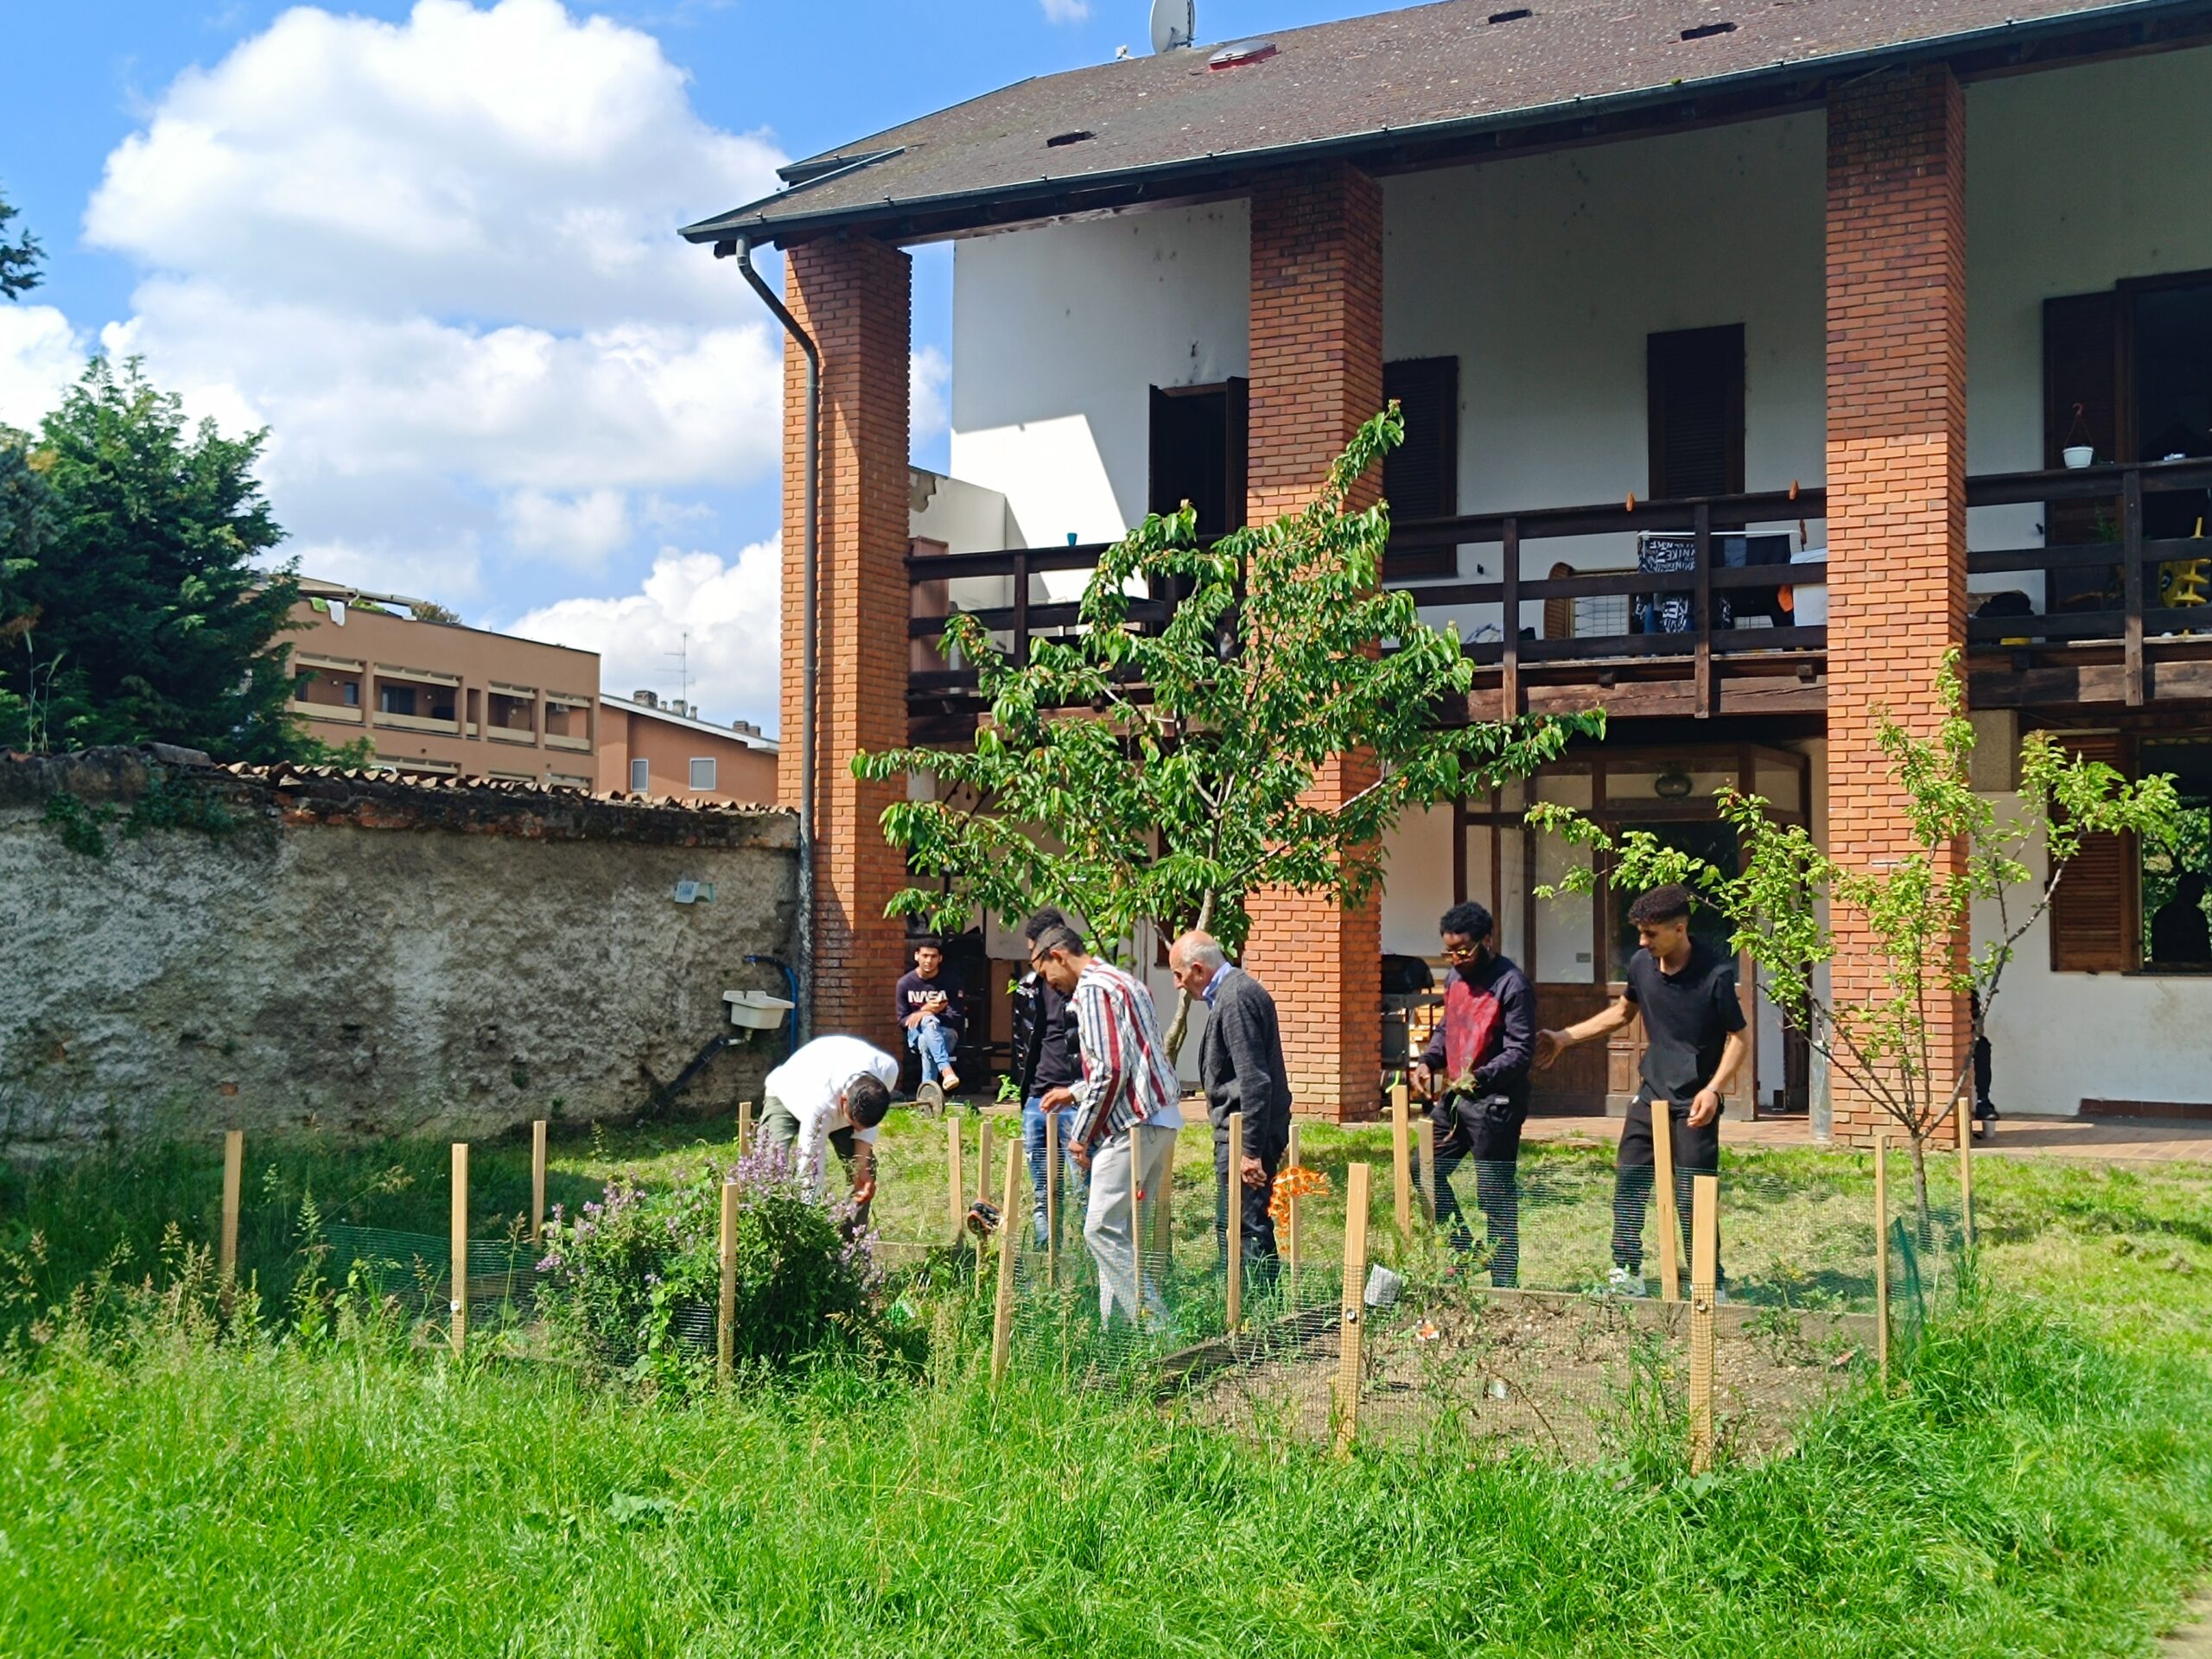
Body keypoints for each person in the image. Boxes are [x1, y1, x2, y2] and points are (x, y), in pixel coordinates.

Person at [1534, 884, 1746, 1297]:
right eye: (1641, 934)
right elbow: (1621, 1013)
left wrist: (1715, 1090)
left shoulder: (1715, 974)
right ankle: (1627, 1273)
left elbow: (1739, 1038)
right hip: (1651, 1095)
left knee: (1692, 1194)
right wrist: (1564, 1037)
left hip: (1695, 1101)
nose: (1642, 942)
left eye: (1651, 934)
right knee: (1629, 1180)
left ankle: (1708, 1282)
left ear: (1680, 930)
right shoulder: (1640, 965)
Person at [1033, 925, 1184, 1327]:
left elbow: (1110, 1071)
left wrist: (1080, 1137)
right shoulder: (1124, 981)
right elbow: (1129, 1059)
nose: (1049, 983)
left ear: (1058, 956)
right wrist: (1074, 1092)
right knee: (1122, 1232)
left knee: (1100, 1230)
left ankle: (1159, 1331)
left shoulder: (1092, 990)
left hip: (1133, 1122)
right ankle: (1115, 1334)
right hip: (1159, 1117)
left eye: (1045, 971)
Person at [1408, 899, 1535, 1287]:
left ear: (1488, 940)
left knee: (1493, 1191)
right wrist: (1430, 1059)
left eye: (1464, 950)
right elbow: (1449, 1026)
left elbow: (1520, 1051)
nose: (1457, 958)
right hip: (1456, 1100)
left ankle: (1503, 1281)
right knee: (1422, 1168)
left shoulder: (1512, 984)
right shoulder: (1455, 980)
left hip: (1497, 1103)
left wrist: (1479, 1077)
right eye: (1449, 951)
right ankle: (1464, 1250)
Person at [1169, 930, 1290, 1285]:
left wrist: (1249, 1151)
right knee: (1233, 1221)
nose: (1178, 985)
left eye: (1179, 975)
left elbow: (1254, 1080)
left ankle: (1258, 1314)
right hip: (1240, 1131)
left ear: (1198, 969)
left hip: (1244, 1133)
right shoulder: (1232, 993)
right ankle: (1237, 1304)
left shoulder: (1235, 998)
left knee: (1247, 1226)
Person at [758, 1034, 899, 1221]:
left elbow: (865, 1128)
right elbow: (810, 1165)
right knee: (770, 1165)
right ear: (843, 1101)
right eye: (854, 1123)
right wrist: (808, 1221)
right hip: (787, 1094)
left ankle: (849, 1243)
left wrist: (861, 1167)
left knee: (865, 1172)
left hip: (834, 1097)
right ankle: (774, 1233)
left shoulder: (886, 1071)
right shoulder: (821, 1104)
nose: (859, 1129)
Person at [1014, 906, 1085, 1246]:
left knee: (1081, 1189)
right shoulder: (1028, 988)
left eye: (1035, 953)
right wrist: (1024, 1089)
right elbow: (1023, 1040)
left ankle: (1088, 1263)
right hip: (1037, 1101)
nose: (1034, 963)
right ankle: (1047, 1254)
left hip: (1075, 1098)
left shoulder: (1084, 988)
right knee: (1043, 1190)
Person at [893, 935, 965, 1109]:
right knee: (927, 1022)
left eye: (933, 956)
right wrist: (926, 1010)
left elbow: (956, 1018)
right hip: (914, 1035)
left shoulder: (951, 981)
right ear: (916, 956)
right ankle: (946, 1071)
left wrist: (927, 1015)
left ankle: (926, 1103)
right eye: (925, 956)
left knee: (928, 1037)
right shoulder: (904, 983)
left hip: (946, 1033)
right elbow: (902, 1021)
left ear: (940, 959)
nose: (929, 961)